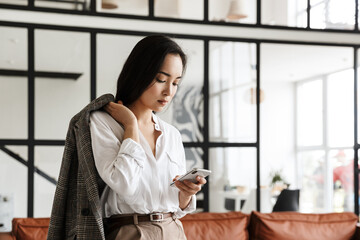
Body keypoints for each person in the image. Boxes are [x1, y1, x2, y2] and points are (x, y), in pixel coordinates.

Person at [89, 35, 206, 240]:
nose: (168, 91)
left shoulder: (172, 135)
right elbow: (124, 184)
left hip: (174, 230)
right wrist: (131, 125)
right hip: (131, 231)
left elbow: (177, 205)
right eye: (161, 79)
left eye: (176, 83)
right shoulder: (103, 122)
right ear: (139, 74)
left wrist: (187, 193)